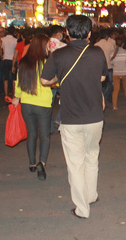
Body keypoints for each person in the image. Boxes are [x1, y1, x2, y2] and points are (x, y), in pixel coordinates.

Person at [40, 15, 107, 219]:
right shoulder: (98, 53)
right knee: (91, 157)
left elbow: (44, 80)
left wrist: (58, 80)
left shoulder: (59, 55)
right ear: (89, 33)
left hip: (71, 118)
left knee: (75, 164)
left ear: (67, 32)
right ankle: (91, 195)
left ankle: (82, 208)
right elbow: (102, 77)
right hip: (95, 116)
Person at [13, 34, 53, 181]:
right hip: (43, 104)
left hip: (26, 103)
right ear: (43, 46)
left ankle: (31, 163)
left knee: (31, 133)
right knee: (44, 135)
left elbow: (19, 82)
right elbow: (53, 81)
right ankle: (41, 162)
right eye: (48, 44)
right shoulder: (47, 63)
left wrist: (17, 97)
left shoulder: (24, 62)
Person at [95, 28, 116, 106]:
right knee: (110, 83)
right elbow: (112, 56)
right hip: (109, 66)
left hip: (99, 67)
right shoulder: (110, 44)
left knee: (101, 83)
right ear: (107, 36)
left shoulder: (96, 45)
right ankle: (105, 97)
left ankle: (102, 96)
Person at [112, 37, 126, 110]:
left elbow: (111, 63)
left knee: (116, 90)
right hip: (125, 73)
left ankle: (114, 106)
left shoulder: (112, 53)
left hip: (115, 73)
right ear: (123, 44)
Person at [0, 26, 18, 98]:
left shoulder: (2, 39)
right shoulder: (15, 40)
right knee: (14, 79)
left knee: (5, 78)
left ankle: (6, 95)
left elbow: (0, 50)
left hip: (5, 59)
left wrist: (1, 57)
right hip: (13, 60)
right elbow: (17, 52)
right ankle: (14, 94)